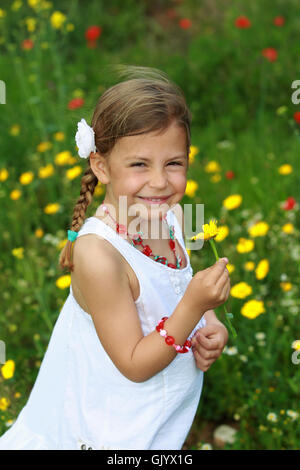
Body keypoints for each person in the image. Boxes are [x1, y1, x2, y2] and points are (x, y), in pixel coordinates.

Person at [0, 65, 230, 450]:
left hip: (151, 422)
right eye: (139, 164)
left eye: (173, 163)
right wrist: (194, 306)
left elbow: (180, 286)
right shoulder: (99, 254)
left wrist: (211, 323)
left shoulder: (174, 217)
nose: (159, 181)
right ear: (101, 166)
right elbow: (134, 364)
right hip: (105, 429)